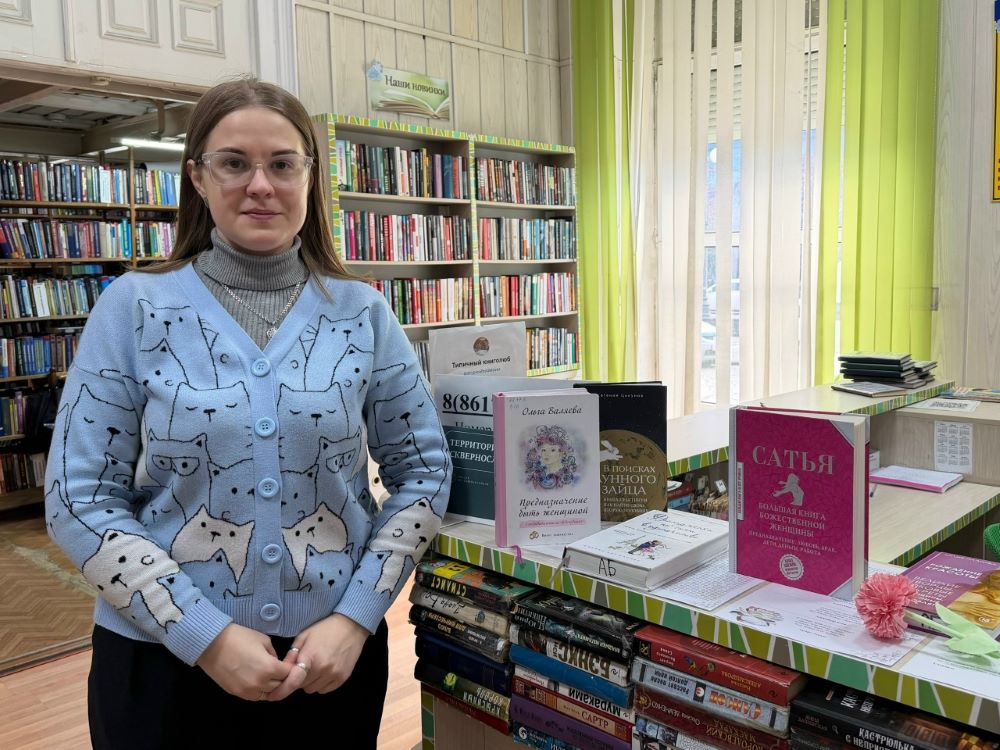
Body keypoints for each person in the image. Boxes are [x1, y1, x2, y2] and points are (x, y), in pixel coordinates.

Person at [44, 77, 452, 749]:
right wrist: (203, 636)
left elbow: (425, 472)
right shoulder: (134, 307)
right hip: (160, 663)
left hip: (330, 665)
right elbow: (77, 496)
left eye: (282, 164)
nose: (260, 185)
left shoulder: (363, 314)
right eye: (234, 162)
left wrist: (356, 616)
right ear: (198, 177)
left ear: (310, 178)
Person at [524, 424, 577, 490]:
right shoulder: (536, 476)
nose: (546, 454)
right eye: (543, 450)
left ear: (562, 453)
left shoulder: (570, 478)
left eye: (552, 450)